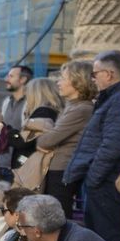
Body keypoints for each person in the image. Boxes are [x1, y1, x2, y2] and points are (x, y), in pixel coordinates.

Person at [61, 50, 120, 241]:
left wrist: (93, 178)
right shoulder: (112, 98)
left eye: (95, 74)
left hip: (106, 184)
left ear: (109, 74)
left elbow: (113, 144)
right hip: (101, 182)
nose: (93, 79)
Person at [33, 61, 96, 217]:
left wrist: (44, 136)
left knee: (57, 216)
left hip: (63, 168)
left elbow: (45, 141)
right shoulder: (72, 106)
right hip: (57, 166)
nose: (58, 82)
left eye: (62, 78)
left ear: (77, 81)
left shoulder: (82, 109)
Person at [0, 65, 32, 181]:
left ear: (23, 80)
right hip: (1, 163)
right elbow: (1, 130)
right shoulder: (6, 101)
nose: (6, 79)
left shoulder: (31, 102)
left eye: (11, 76)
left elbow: (27, 135)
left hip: (20, 165)